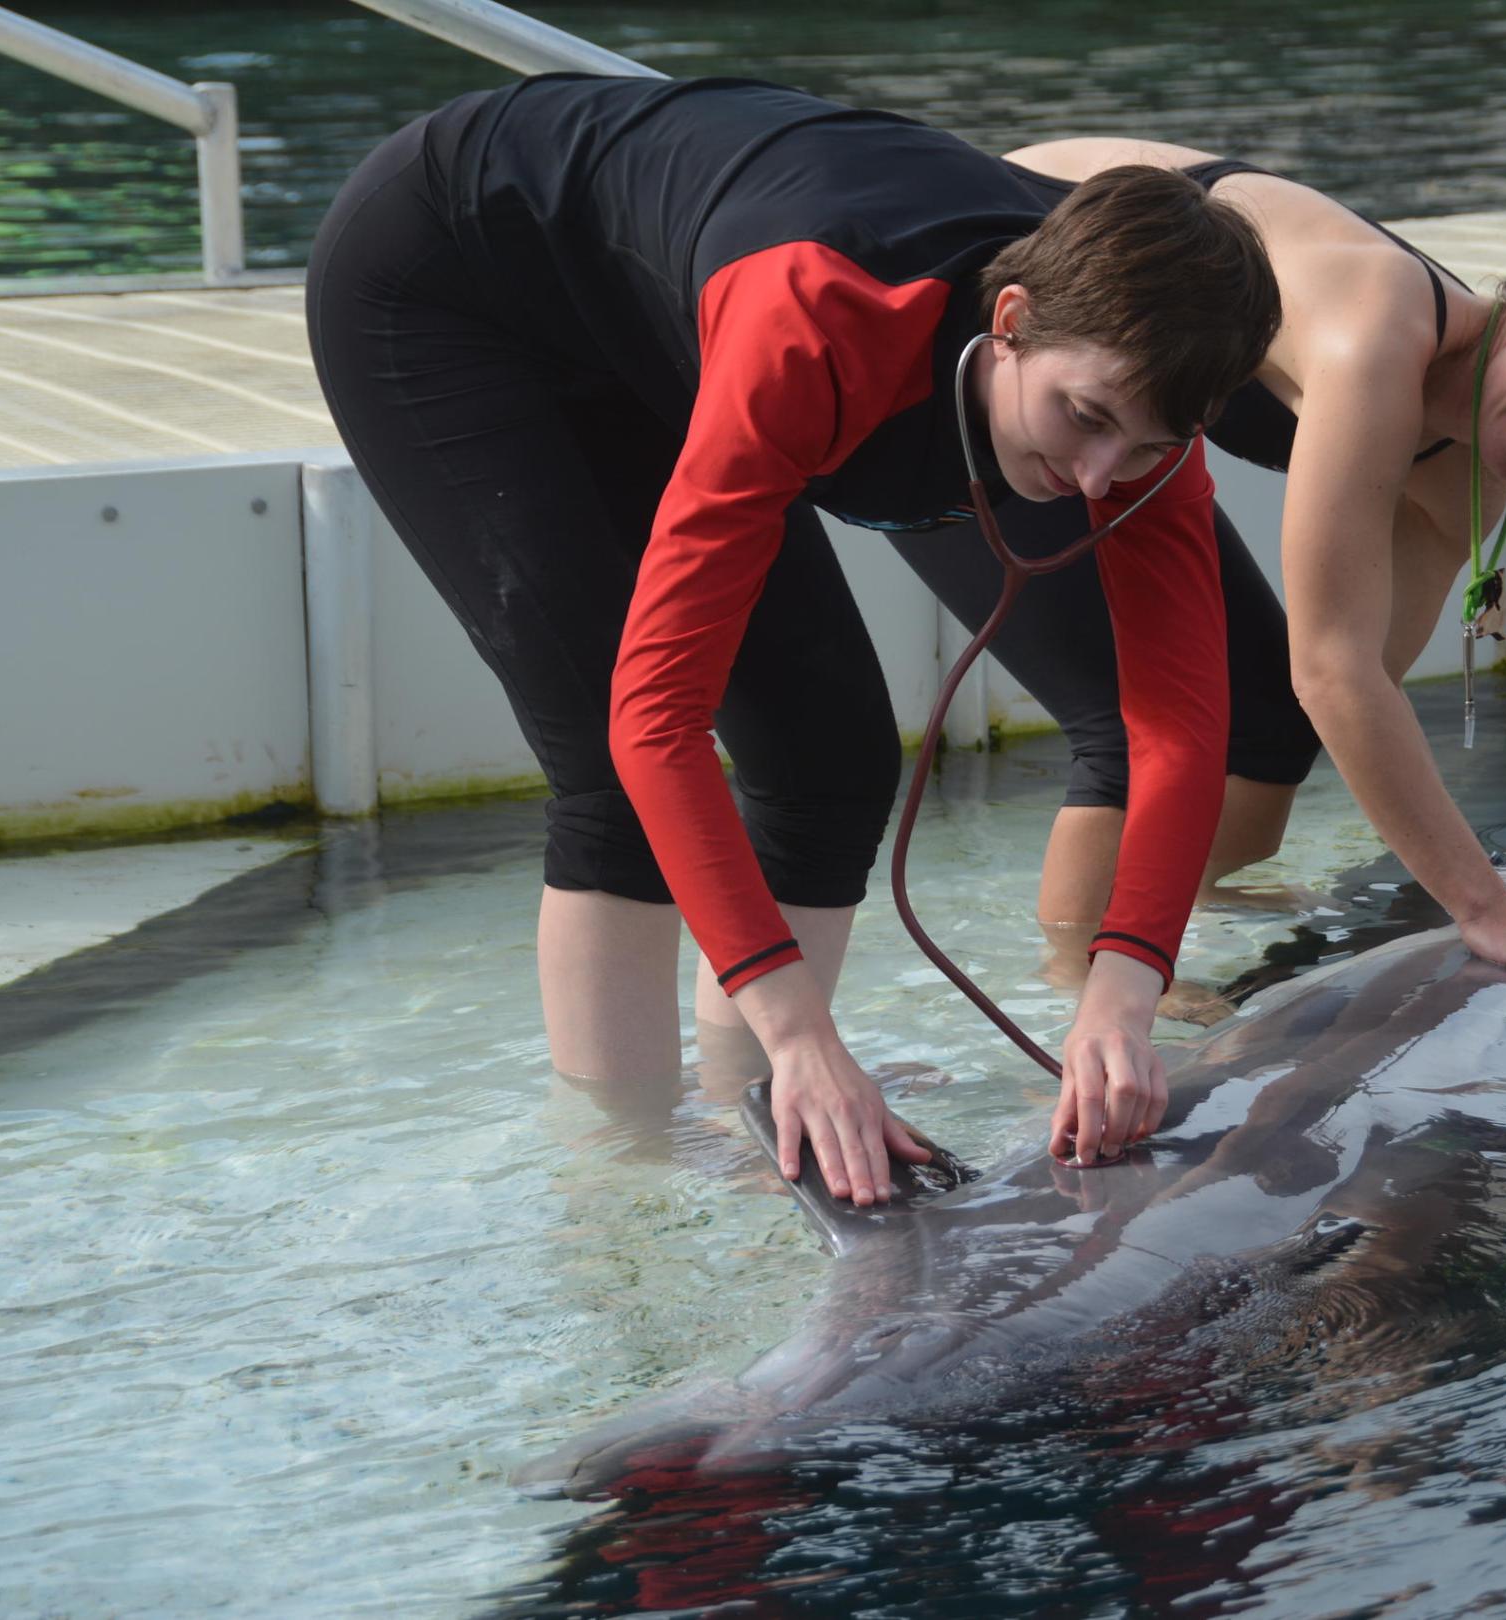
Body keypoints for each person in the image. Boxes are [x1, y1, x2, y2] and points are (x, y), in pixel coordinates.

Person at [306, 79, 1280, 1205]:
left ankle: (755, 1120)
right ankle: (627, 1186)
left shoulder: (1145, 407)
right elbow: (657, 721)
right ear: (1011, 322)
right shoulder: (820, 318)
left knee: (828, 756)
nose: (1100, 480)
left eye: (1149, 448)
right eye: (1085, 421)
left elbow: (1177, 726)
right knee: (607, 769)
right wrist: (806, 1038)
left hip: (653, 309)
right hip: (452, 273)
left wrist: (1122, 994)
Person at [890, 140, 1506, 991]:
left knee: (1269, 731)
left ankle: (1167, 917)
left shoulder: (1474, 471)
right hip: (990, 347)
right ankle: (1070, 992)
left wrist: (1463, 878)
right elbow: (1332, 674)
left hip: (1106, 401)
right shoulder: (1376, 328)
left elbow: (1357, 693)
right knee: (1121, 723)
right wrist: (1482, 906)